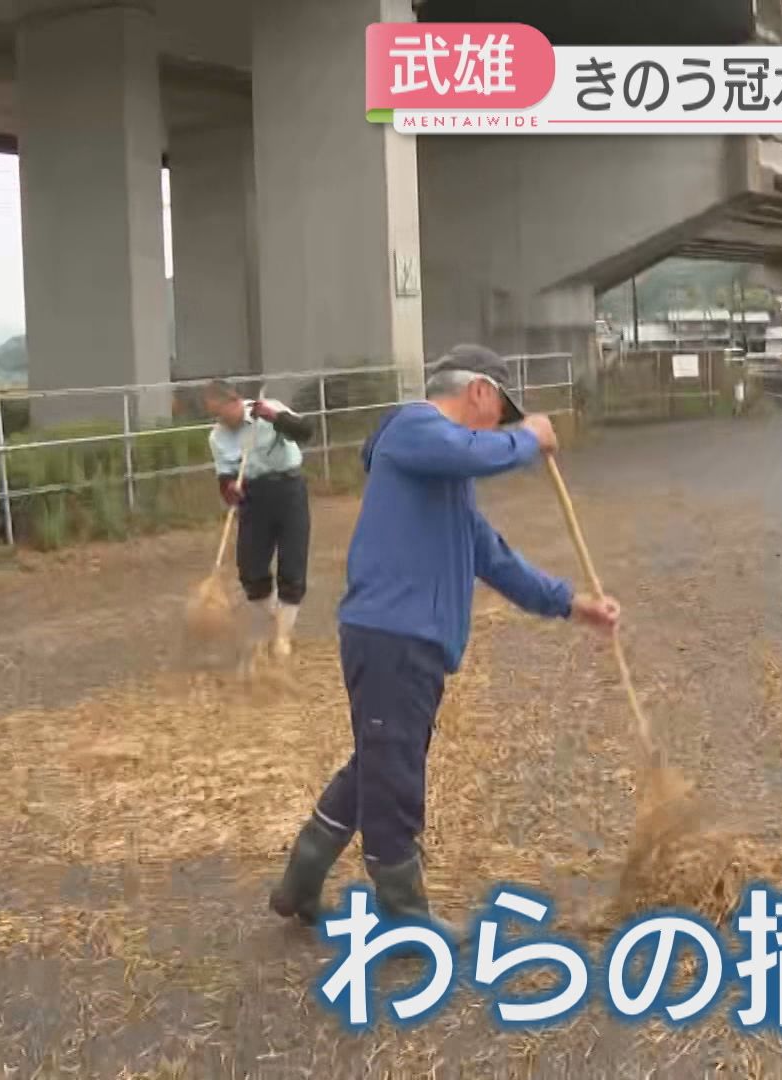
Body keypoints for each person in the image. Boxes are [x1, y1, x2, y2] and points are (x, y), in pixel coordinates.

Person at [266, 344, 620, 940]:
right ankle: (403, 912)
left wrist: (571, 603)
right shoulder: (414, 428)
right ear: (480, 390)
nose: (499, 427)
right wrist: (530, 438)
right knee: (394, 769)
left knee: (378, 761)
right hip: (393, 635)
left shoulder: (445, 480)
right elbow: (474, 452)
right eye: (502, 412)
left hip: (410, 639)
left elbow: (493, 557)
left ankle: (301, 878)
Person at [204, 380, 316, 660]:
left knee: (292, 563)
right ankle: (278, 618)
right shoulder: (217, 438)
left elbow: (305, 431)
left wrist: (275, 417)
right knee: (251, 571)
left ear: (234, 401)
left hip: (289, 489)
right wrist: (229, 488)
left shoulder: (268, 410)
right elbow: (224, 476)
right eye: (215, 415)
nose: (221, 419)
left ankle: (282, 638)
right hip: (253, 497)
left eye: (222, 412)